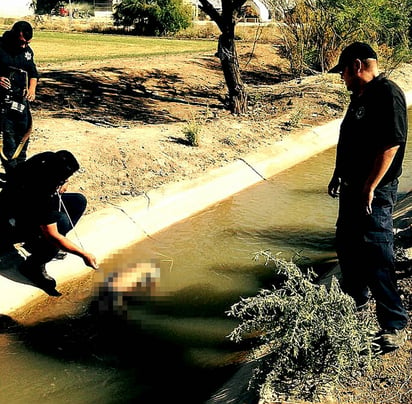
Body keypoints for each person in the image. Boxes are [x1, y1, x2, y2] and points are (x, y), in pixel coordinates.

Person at [327, 42, 408, 353]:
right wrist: (338, 172)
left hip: (375, 190)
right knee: (346, 245)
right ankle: (356, 301)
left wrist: (371, 185)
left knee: (376, 251)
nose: (342, 78)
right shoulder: (357, 97)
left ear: (357, 65)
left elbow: (392, 142)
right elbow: (347, 138)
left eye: (344, 72)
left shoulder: (388, 93)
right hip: (351, 187)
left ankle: (393, 323)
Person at [0, 150, 98, 296]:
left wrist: (63, 183)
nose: (66, 180)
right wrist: (84, 255)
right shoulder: (40, 193)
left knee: (78, 201)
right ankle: (33, 266)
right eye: (64, 178)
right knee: (61, 224)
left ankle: (38, 246)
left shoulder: (46, 159)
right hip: (12, 222)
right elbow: (53, 235)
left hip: (21, 206)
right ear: (54, 176)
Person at [0, 21, 39, 174]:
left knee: (23, 138)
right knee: (8, 141)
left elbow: (33, 73)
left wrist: (31, 89)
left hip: (20, 102)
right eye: (21, 42)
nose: (24, 46)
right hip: (2, 104)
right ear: (14, 35)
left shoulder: (27, 52)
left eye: (27, 43)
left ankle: (21, 171)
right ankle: (13, 175)